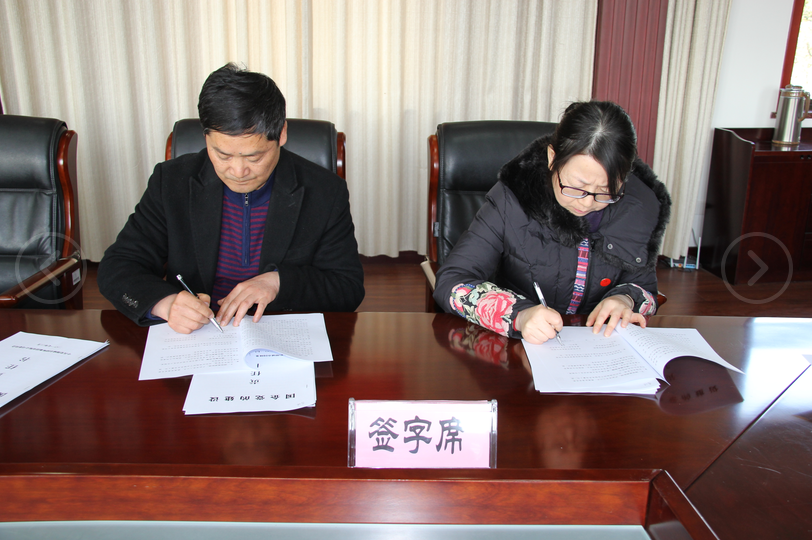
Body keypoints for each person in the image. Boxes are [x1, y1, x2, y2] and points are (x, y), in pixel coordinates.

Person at [99, 63, 364, 333]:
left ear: (281, 134)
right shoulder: (172, 182)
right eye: (223, 155)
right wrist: (165, 304)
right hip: (200, 334)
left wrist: (278, 282)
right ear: (206, 137)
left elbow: (347, 288)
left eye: (254, 157)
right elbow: (118, 266)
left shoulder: (324, 191)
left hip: (280, 332)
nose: (238, 172)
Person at [433, 101, 670, 344]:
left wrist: (625, 299)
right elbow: (452, 282)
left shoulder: (640, 208)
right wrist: (519, 315)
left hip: (597, 345)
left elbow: (645, 289)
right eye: (577, 187)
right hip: (518, 345)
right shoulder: (512, 199)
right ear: (552, 157)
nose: (587, 203)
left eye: (605, 191)